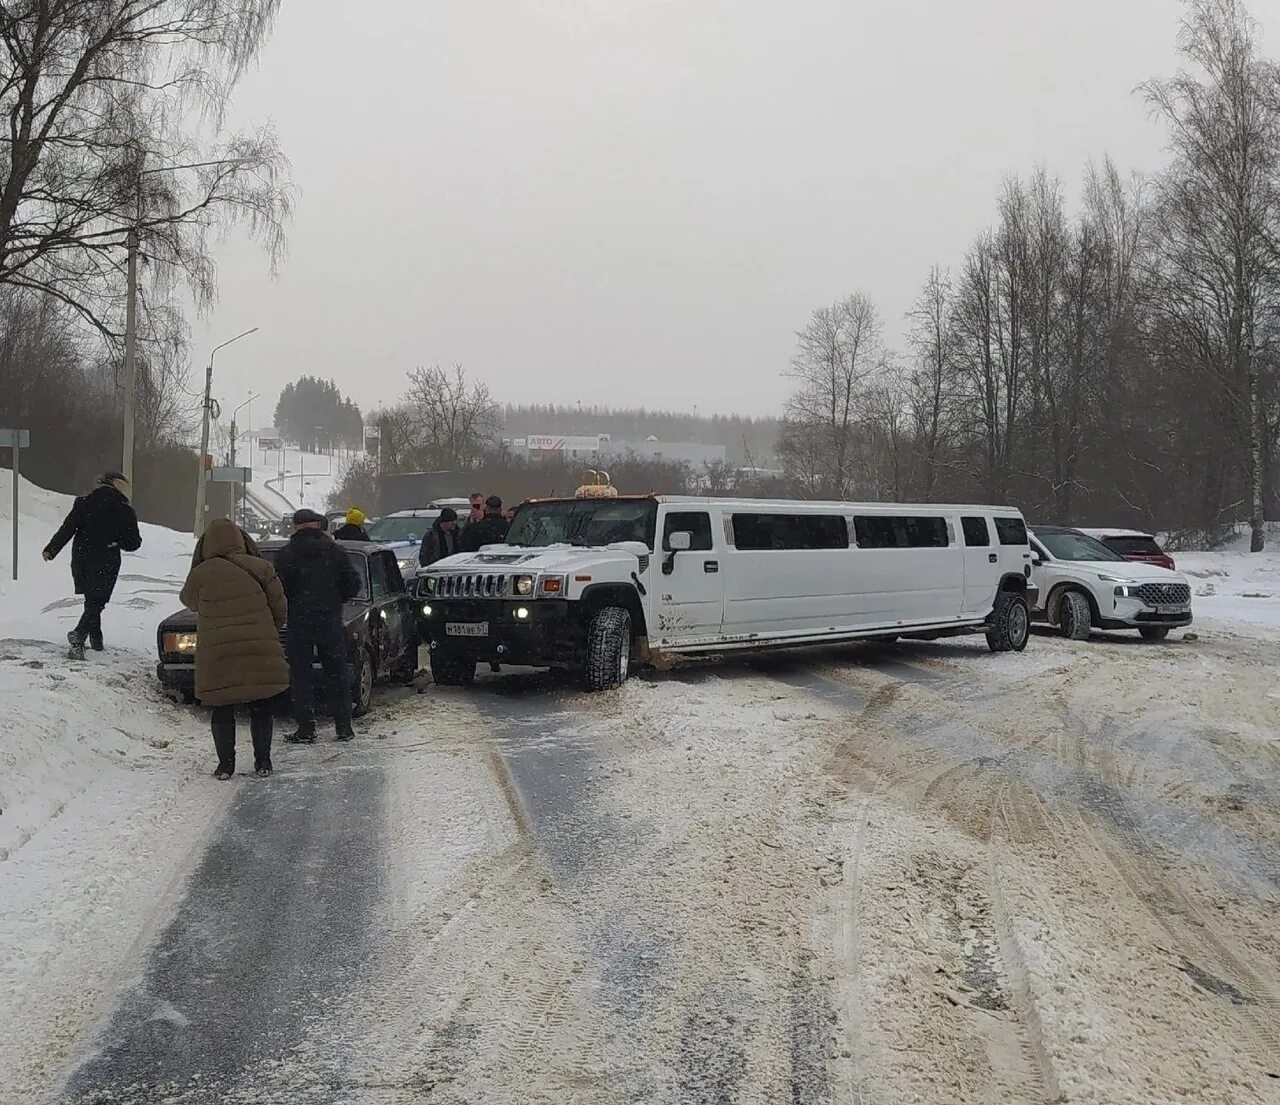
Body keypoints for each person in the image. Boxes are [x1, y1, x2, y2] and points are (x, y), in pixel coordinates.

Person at [180, 518, 289, 780]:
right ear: (240, 540)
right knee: (260, 705)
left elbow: (188, 600)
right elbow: (280, 606)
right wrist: (267, 629)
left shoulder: (201, 573)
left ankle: (225, 766)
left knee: (221, 706)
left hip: (218, 652)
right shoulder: (262, 567)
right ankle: (263, 762)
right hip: (257, 645)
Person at [272, 508, 362, 743]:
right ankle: (343, 727)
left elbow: (278, 589)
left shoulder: (285, 555)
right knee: (337, 673)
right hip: (330, 619)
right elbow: (353, 584)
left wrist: (295, 602)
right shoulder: (336, 552)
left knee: (301, 675)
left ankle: (306, 728)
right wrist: (334, 600)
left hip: (299, 621)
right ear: (319, 526)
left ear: (296, 527)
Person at [42, 471, 142, 658]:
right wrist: (118, 541)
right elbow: (134, 543)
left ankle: (96, 640)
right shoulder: (124, 510)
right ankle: (79, 635)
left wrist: (52, 549)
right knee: (98, 600)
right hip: (106, 558)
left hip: (81, 557)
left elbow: (68, 528)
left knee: (92, 599)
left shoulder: (83, 503)